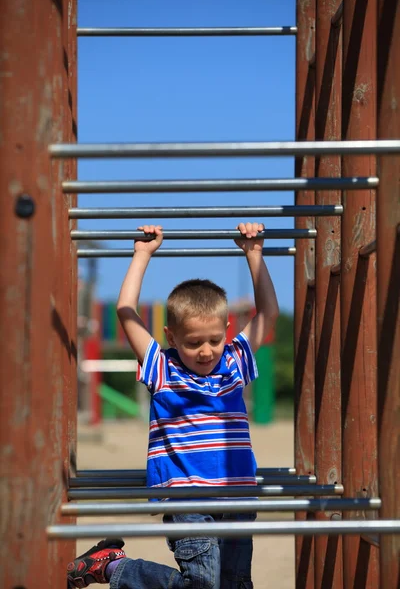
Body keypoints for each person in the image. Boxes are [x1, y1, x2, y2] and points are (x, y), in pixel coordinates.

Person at [67, 222, 279, 589]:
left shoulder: (234, 361)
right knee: (200, 585)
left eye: (215, 339)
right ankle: (114, 568)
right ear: (172, 337)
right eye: (194, 342)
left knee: (236, 585)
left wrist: (254, 254)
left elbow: (269, 314)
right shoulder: (163, 368)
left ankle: (113, 567)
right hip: (189, 500)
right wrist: (142, 254)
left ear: (227, 330)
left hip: (238, 497)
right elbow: (125, 310)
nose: (206, 350)